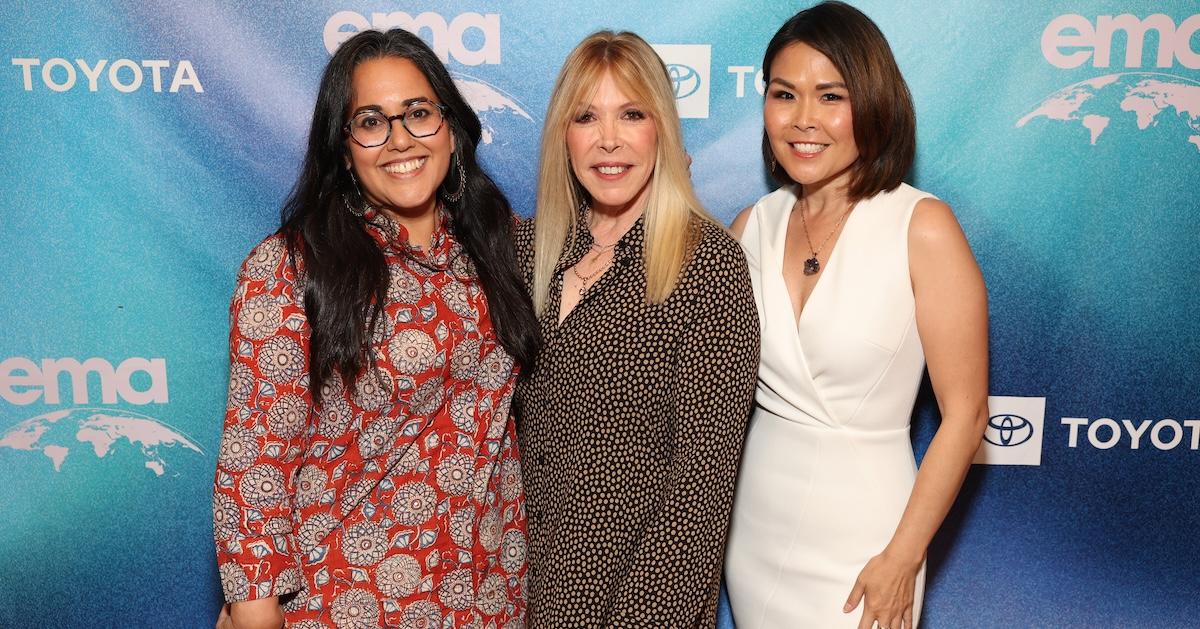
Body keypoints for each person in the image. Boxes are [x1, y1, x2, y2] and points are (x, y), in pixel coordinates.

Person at [212, 28, 539, 629]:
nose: (399, 141)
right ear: (343, 146)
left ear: (451, 127)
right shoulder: (291, 268)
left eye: (418, 113)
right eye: (371, 122)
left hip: (488, 601)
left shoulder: (496, 246)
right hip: (344, 604)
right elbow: (254, 474)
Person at [724, 3, 989, 628]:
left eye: (831, 96)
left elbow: (967, 414)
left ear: (871, 103)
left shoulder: (921, 226)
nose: (804, 120)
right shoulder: (750, 227)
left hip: (869, 537)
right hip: (754, 527)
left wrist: (903, 556)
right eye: (785, 94)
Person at [513, 31, 760, 628]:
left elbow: (701, 485)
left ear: (662, 130)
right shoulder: (527, 253)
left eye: (631, 113)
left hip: (635, 597)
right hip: (518, 588)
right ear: (562, 137)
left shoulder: (707, 265)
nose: (608, 140)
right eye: (586, 116)